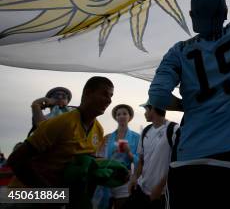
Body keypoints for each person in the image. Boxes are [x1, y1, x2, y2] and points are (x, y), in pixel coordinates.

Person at [148, 0, 230, 208]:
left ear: (191, 16)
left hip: (188, 164)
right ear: (226, 11)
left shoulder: (178, 52)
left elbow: (157, 97)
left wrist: (185, 105)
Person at [8, 77, 117, 207]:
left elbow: (82, 161)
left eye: (111, 96)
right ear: (88, 92)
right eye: (104, 94)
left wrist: (107, 166)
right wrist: (51, 194)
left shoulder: (98, 130)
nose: (109, 100)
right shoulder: (61, 123)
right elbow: (15, 159)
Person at [125, 102, 177, 209]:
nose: (144, 114)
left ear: (152, 109)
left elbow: (176, 164)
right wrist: (134, 178)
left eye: (145, 110)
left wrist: (159, 188)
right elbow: (141, 160)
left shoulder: (174, 129)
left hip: (160, 194)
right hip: (141, 189)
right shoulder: (146, 130)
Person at [94, 104, 140, 209]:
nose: (122, 116)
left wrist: (128, 152)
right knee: (105, 204)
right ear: (116, 117)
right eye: (118, 114)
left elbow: (140, 161)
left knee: (122, 205)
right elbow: (99, 156)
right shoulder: (108, 137)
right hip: (107, 177)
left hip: (125, 178)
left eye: (125, 113)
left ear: (130, 117)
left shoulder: (136, 137)